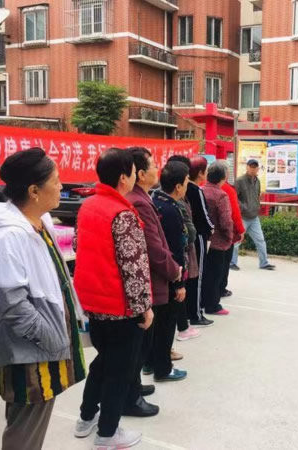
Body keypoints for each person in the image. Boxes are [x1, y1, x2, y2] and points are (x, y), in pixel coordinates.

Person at [0, 148, 86, 450]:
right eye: (56, 180)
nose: (62, 186)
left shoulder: (38, 222)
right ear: (34, 191)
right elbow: (14, 306)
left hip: (42, 346)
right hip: (30, 353)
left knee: (31, 426)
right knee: (25, 432)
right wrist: (54, 340)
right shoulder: (7, 238)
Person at [74, 148, 153, 449]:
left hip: (93, 303)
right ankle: (107, 434)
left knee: (104, 361)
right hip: (120, 307)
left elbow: (80, 248)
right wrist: (144, 308)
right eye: (133, 172)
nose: (135, 176)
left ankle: (86, 417)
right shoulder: (123, 214)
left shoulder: (88, 205)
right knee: (119, 373)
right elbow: (134, 267)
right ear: (123, 177)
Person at [124, 147, 183, 415]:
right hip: (149, 281)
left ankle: (134, 388)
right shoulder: (138, 202)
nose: (157, 169)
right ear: (140, 174)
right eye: (153, 165)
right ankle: (130, 396)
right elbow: (154, 248)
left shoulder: (144, 197)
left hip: (153, 279)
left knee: (143, 343)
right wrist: (174, 271)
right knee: (138, 346)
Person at [151, 161, 190, 381]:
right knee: (166, 325)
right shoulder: (171, 210)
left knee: (157, 324)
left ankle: (151, 362)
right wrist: (179, 283)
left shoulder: (155, 201)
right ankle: (163, 368)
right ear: (178, 186)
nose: (187, 186)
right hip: (170, 275)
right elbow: (175, 249)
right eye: (186, 182)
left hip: (157, 275)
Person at [167, 155, 201, 342]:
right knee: (177, 294)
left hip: (172, 261)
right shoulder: (173, 205)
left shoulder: (160, 199)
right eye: (187, 179)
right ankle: (182, 329)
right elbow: (185, 234)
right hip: (176, 261)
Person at [185, 156, 215, 326]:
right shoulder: (196, 190)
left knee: (189, 276)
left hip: (188, 236)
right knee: (198, 276)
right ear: (201, 173)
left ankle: (188, 312)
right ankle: (196, 314)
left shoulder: (185, 188)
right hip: (199, 237)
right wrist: (212, 228)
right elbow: (205, 216)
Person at [201, 161, 234, 315]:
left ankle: (201, 301)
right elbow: (226, 220)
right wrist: (229, 236)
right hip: (217, 241)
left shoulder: (200, 190)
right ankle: (213, 305)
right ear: (223, 178)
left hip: (202, 239)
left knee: (204, 273)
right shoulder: (221, 195)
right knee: (215, 275)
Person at [231, 159, 275, 271]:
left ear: (257, 169)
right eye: (250, 166)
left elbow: (257, 196)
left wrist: (256, 207)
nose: (252, 169)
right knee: (237, 241)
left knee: (260, 240)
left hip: (254, 217)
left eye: (255, 167)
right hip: (242, 217)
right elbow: (234, 197)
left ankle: (264, 263)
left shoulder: (257, 181)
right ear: (247, 167)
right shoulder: (240, 181)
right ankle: (232, 263)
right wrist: (244, 207)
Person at [220, 180, 245, 297]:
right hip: (225, 234)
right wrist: (240, 230)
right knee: (224, 263)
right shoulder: (228, 190)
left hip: (207, 235)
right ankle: (221, 289)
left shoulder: (201, 186)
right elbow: (235, 212)